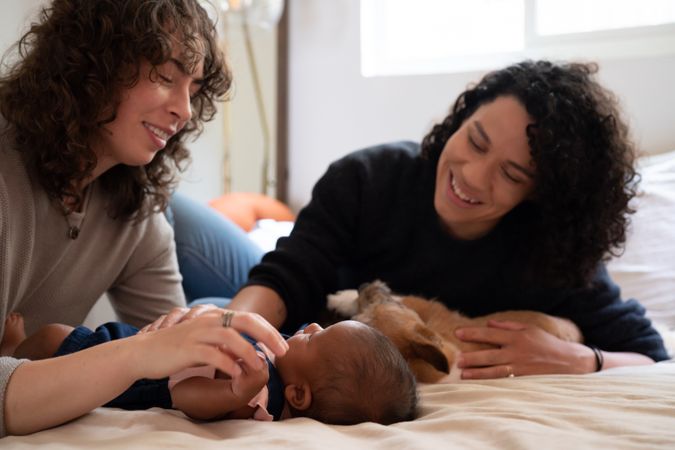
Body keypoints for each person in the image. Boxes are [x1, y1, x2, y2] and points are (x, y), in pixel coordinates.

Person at [159, 60, 668, 378]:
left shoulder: (551, 252)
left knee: (204, 306)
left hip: (316, 337)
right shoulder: (369, 177)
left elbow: (648, 352)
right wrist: (235, 324)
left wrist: (582, 360)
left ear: (543, 196)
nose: (472, 175)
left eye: (511, 174)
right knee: (168, 211)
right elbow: (286, 277)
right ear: (459, 119)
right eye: (474, 140)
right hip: (292, 294)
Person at [0, 0, 289, 437]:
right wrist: (139, 353)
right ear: (91, 63)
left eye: (192, 90)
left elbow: (175, 367)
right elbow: (151, 353)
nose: (185, 111)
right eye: (166, 77)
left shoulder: (137, 211)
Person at [2, 313, 417, 425]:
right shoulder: (273, 367)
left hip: (126, 373)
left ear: (299, 395)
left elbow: (184, 396)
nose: (308, 326)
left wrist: (231, 395)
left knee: (56, 336)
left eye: (314, 338)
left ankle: (12, 353)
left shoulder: (257, 387)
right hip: (146, 347)